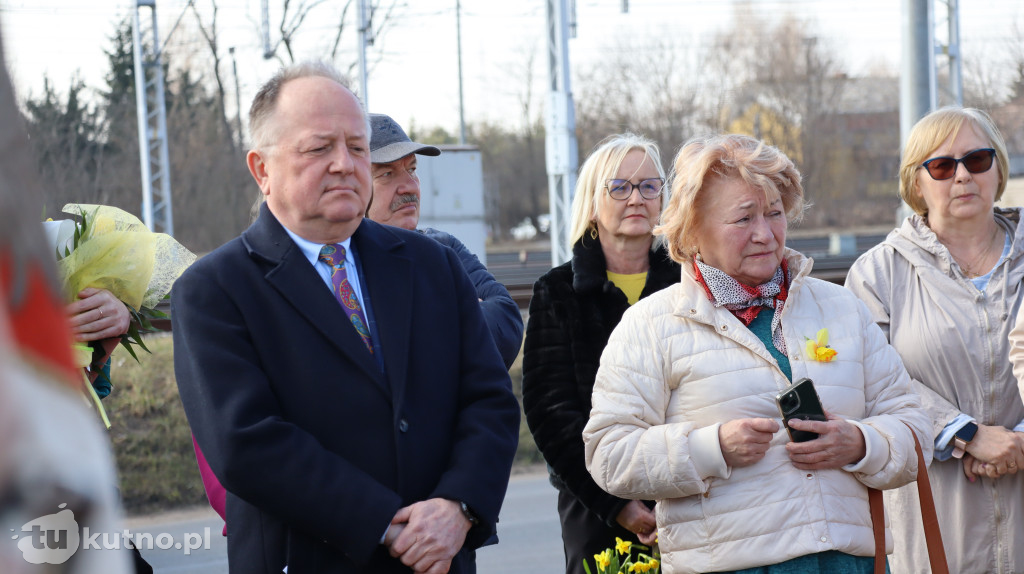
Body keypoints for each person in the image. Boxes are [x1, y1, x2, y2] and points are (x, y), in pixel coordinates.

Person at [172, 61, 520, 574]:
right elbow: (246, 443)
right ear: (262, 168)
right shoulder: (214, 291)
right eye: (318, 148)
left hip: (440, 559)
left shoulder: (431, 264)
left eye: (356, 148)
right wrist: (387, 522)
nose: (344, 164)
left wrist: (459, 507)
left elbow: (488, 401)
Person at [582, 133, 931, 574]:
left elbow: (914, 428)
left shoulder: (841, 307)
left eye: (775, 213)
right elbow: (609, 453)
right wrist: (712, 448)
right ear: (692, 229)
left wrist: (860, 443)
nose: (765, 234)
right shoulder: (652, 324)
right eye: (743, 218)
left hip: (847, 564)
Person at [846, 106, 1024, 574]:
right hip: (935, 514)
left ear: (998, 169)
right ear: (916, 183)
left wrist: (1018, 442)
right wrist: (966, 434)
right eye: (943, 166)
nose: (963, 175)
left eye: (978, 160)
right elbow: (868, 378)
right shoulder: (877, 274)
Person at [522, 133, 680, 574]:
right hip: (595, 505)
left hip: (689, 494)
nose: (637, 198)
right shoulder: (557, 291)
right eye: (620, 186)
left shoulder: (691, 284)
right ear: (593, 201)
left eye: (649, 186)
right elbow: (549, 411)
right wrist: (617, 505)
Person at [366, 112, 523, 368]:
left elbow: (507, 324)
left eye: (412, 169)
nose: (410, 186)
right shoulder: (344, 264)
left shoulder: (442, 245)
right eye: (386, 174)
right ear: (357, 183)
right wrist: (464, 310)